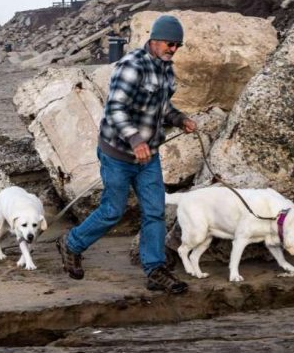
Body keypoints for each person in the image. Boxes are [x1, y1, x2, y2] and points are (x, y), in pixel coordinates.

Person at [56, 15, 197, 294]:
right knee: (112, 211)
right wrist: (135, 140)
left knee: (155, 212)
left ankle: (155, 269)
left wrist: (180, 119)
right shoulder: (131, 67)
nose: (174, 49)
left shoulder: (167, 69)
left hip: (148, 156)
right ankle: (71, 244)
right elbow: (115, 110)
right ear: (155, 40)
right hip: (118, 154)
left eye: (178, 45)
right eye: (171, 43)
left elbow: (161, 106)